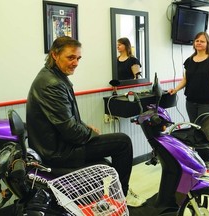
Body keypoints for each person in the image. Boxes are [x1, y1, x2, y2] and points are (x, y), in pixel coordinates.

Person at [26, 36, 146, 207]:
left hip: (57, 145)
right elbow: (70, 131)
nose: (75, 62)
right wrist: (90, 132)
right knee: (122, 142)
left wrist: (84, 126)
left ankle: (112, 195)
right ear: (54, 55)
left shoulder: (53, 76)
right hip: (59, 151)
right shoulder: (52, 83)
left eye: (78, 58)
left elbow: (66, 118)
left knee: (109, 150)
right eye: (70, 57)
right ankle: (120, 197)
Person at [168, 32, 209, 170]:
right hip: (191, 101)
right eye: (197, 41)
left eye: (202, 41)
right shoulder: (189, 60)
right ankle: (197, 158)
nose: (199, 43)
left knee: (205, 132)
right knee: (195, 131)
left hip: (208, 101)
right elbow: (185, 79)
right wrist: (175, 89)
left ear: (207, 44)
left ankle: (208, 159)